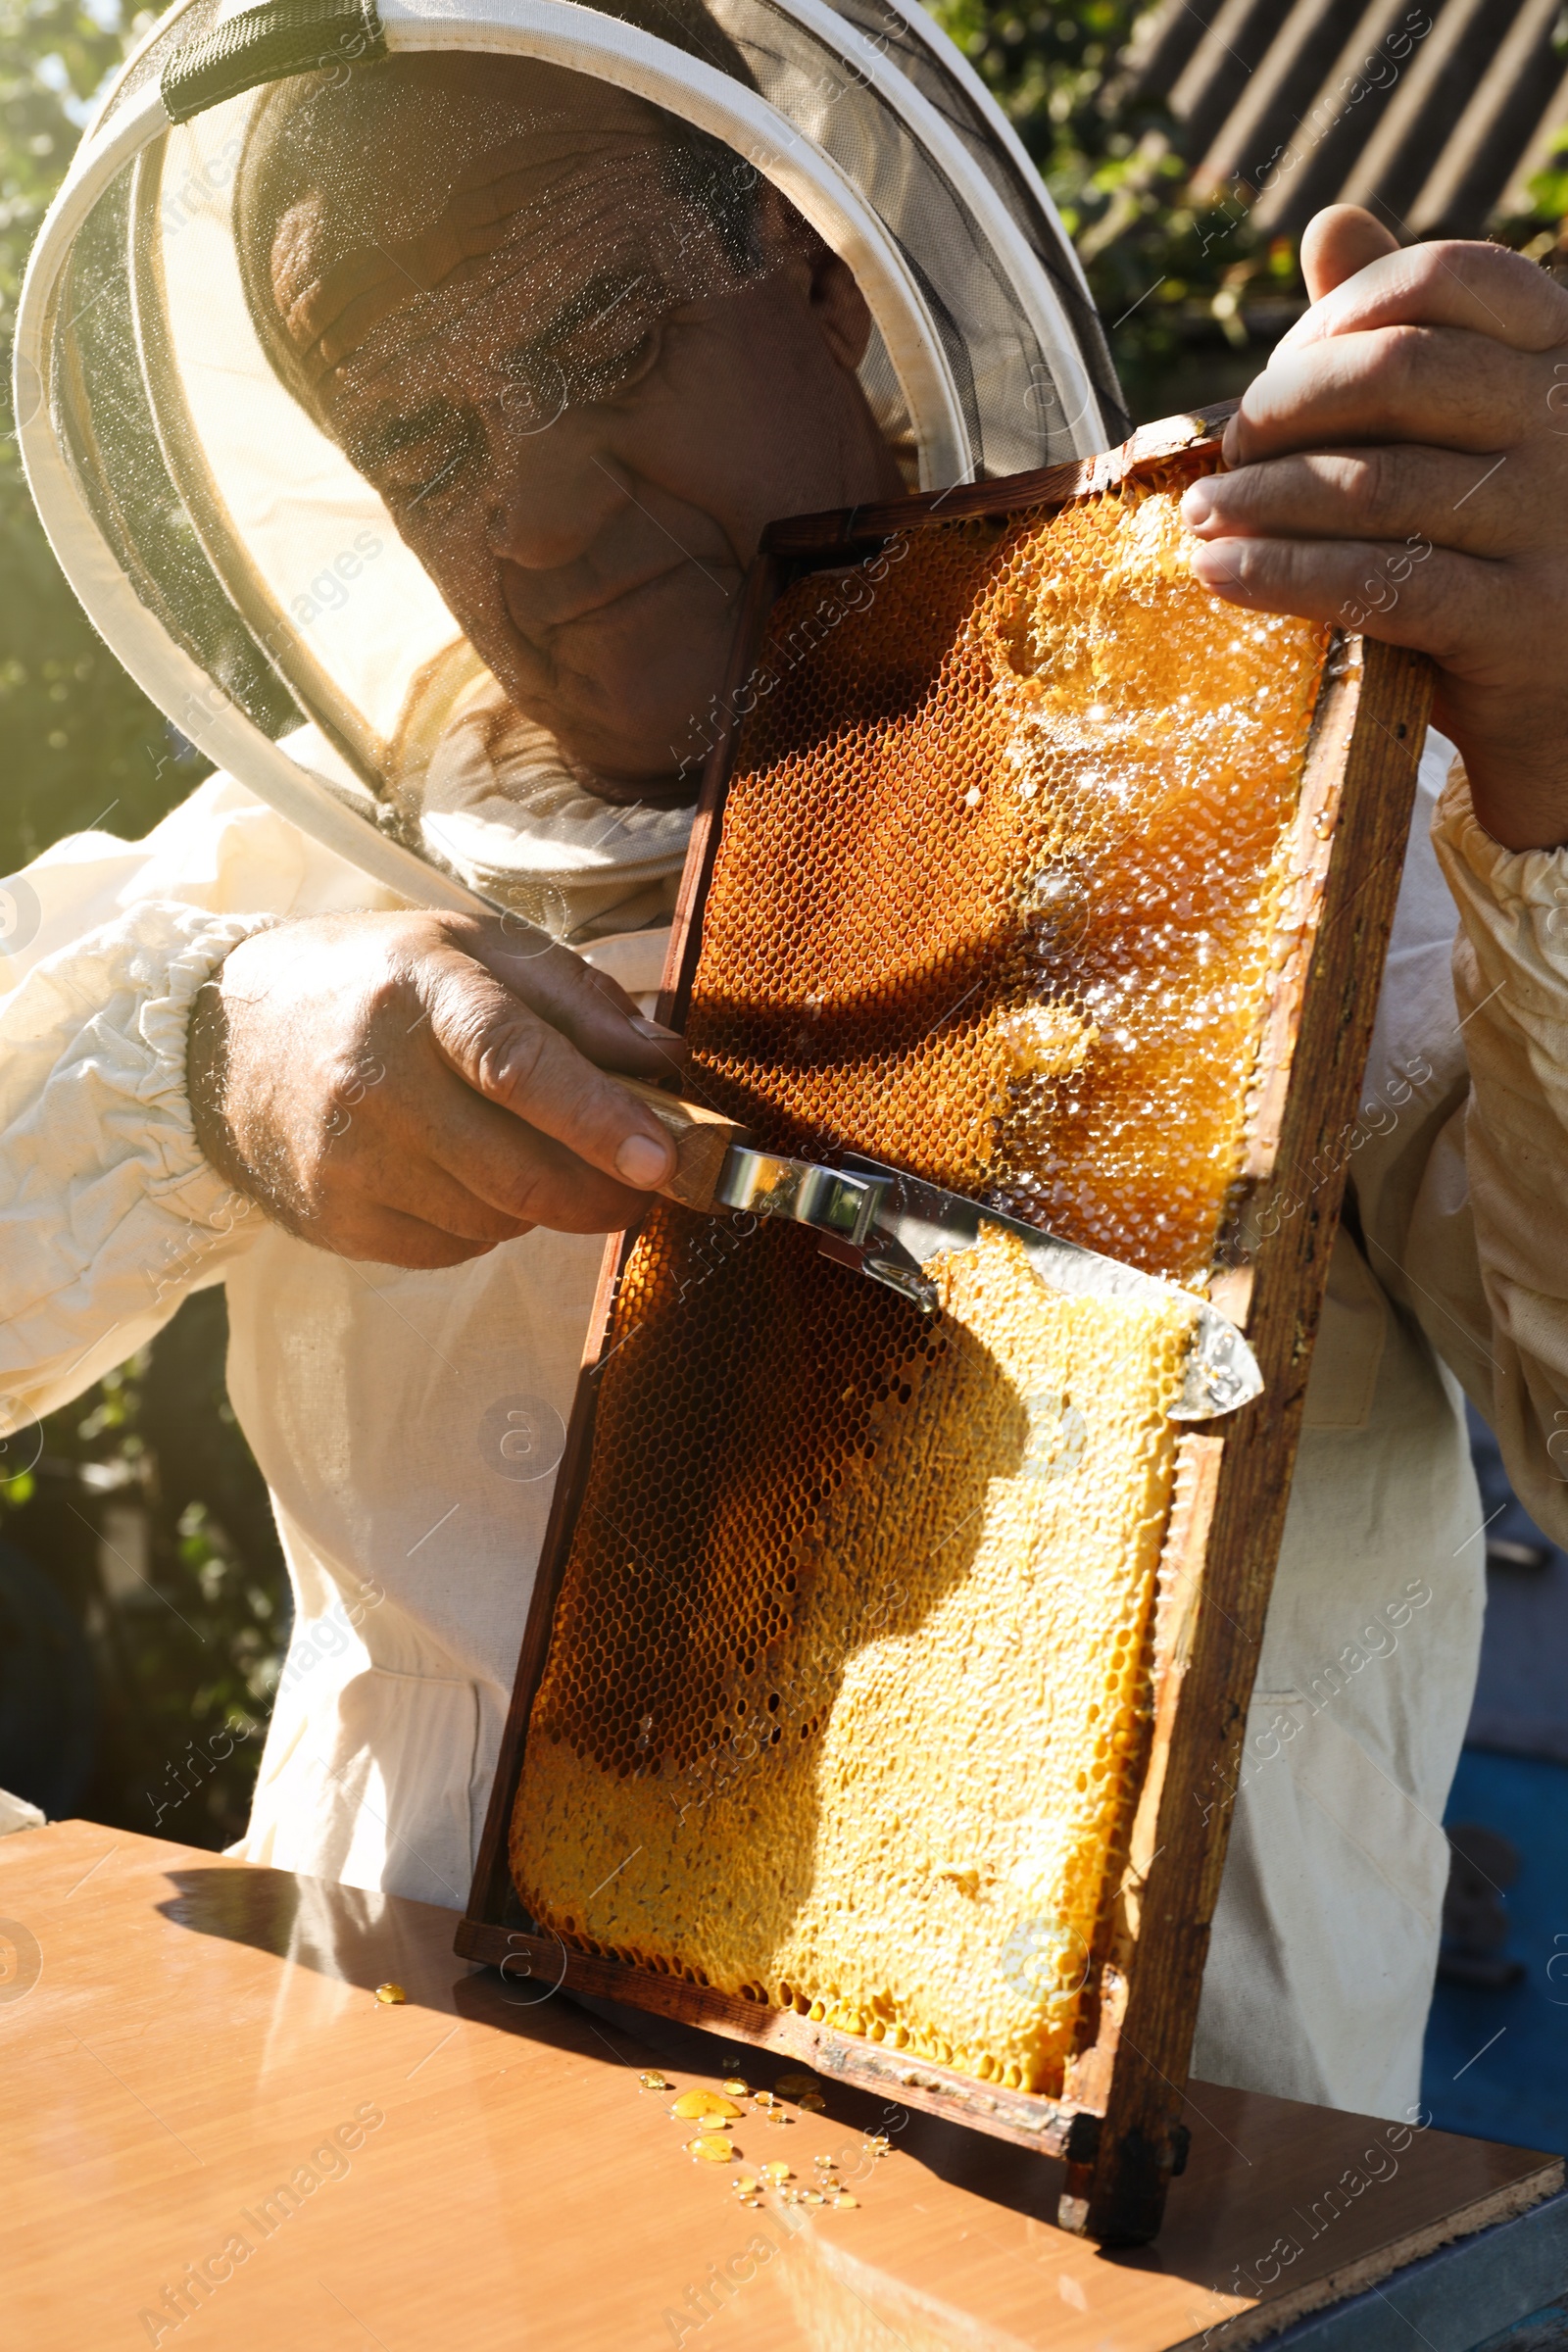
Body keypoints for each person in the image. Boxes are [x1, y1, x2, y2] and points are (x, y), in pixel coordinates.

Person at [4, 11, 1567, 2126]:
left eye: (603, 336)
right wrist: (193, 1065)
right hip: (401, 2168)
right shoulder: (303, 856)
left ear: (819, 265)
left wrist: (1558, 788)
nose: (538, 513)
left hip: (1158, 2232)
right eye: (425, 443)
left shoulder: (1279, 780)